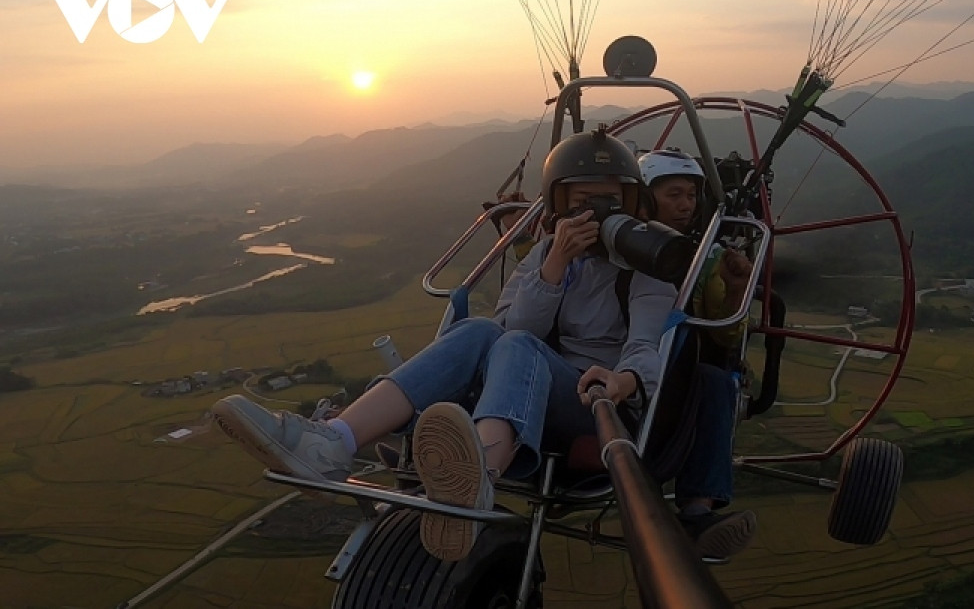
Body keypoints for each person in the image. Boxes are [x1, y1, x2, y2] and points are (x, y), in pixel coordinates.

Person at [211, 129, 676, 562]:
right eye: (581, 203)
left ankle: (477, 475)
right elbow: (515, 328)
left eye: (609, 202)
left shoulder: (645, 265)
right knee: (478, 330)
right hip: (528, 390)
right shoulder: (547, 254)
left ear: (632, 204)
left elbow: (647, 346)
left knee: (515, 344)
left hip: (595, 402)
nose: (594, 213)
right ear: (556, 208)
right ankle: (335, 442)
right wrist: (555, 263)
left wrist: (622, 381)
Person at [639, 148, 757, 559]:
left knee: (711, 376)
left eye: (691, 195)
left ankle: (697, 509)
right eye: (674, 194)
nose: (686, 205)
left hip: (676, 378)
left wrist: (737, 288)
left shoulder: (706, 259)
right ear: (645, 196)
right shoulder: (615, 243)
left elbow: (724, 338)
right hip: (615, 366)